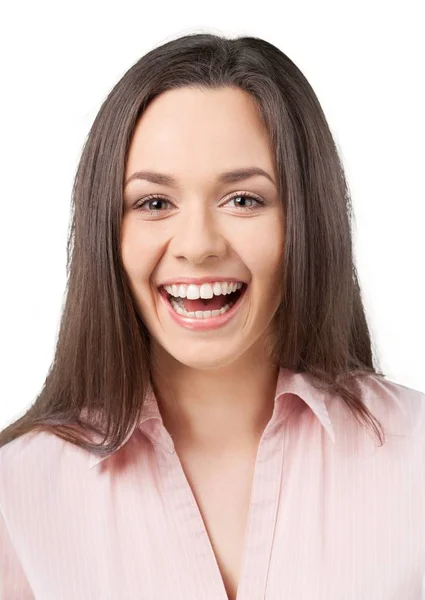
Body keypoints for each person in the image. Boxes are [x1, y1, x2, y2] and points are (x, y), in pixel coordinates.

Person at [0, 32, 424, 600]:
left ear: (306, 219)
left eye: (244, 199)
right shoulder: (18, 494)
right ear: (109, 231)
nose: (197, 245)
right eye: (154, 203)